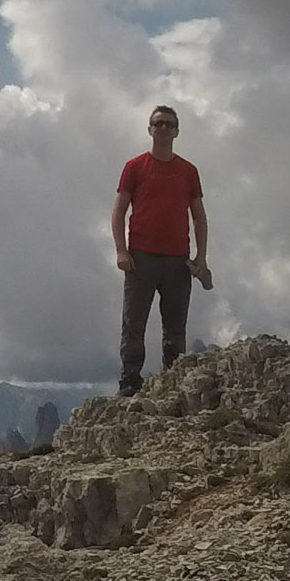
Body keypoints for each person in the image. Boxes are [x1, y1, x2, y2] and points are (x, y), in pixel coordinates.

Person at [112, 104, 210, 392]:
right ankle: (130, 382)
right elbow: (118, 211)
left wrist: (200, 257)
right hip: (140, 258)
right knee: (133, 323)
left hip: (177, 260)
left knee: (175, 327)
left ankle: (173, 381)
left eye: (169, 124)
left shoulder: (188, 171)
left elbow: (199, 216)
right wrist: (121, 251)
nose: (163, 128)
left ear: (177, 131)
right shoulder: (134, 167)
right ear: (150, 129)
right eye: (159, 123)